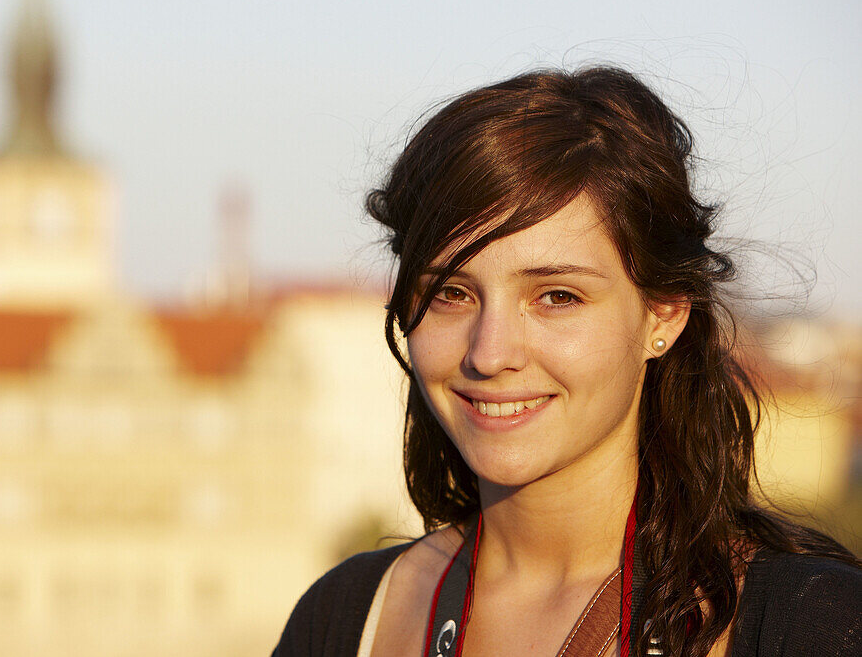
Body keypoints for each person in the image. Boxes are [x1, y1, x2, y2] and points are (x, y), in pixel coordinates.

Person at [273, 66, 862, 657]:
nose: (490, 352)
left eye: (557, 296)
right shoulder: (347, 617)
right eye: (452, 293)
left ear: (663, 315)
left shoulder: (809, 623)